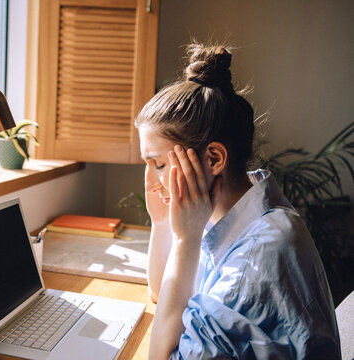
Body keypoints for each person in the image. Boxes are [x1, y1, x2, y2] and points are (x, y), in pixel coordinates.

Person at [136, 43, 341, 359]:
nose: (150, 182)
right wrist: (162, 223)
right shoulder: (235, 206)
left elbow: (162, 356)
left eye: (159, 164)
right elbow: (161, 294)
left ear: (213, 158)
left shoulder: (256, 258)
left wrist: (185, 239)